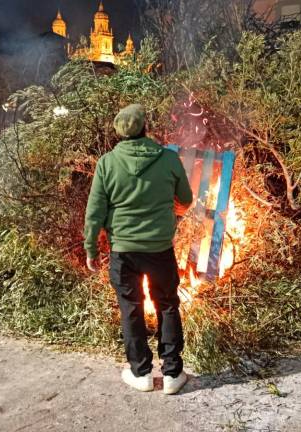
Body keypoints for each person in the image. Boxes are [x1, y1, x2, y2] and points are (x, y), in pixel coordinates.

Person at [84, 104, 193, 395]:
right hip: (159, 248)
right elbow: (185, 198)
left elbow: (95, 211)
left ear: (119, 133)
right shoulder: (168, 158)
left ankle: (141, 373)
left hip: (123, 251)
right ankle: (172, 374)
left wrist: (91, 248)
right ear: (146, 127)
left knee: (130, 308)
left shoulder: (107, 163)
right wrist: (175, 214)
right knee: (167, 305)